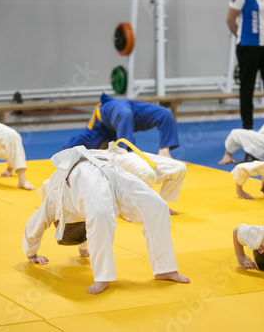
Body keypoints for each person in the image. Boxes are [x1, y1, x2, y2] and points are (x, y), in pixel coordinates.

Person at [23, 145, 190, 295]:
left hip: (90, 169)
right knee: (100, 214)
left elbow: (35, 224)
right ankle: (103, 276)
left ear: (57, 223)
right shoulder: (84, 215)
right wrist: (83, 250)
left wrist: (31, 253)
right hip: (104, 172)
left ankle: (165, 269)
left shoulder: (53, 198)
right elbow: (88, 227)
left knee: (157, 206)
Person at [64, 93, 179, 157]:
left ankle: (165, 151)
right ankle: (121, 153)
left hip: (116, 110)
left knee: (164, 113)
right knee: (125, 115)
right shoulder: (92, 134)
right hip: (107, 121)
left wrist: (164, 150)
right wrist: (67, 153)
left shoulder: (122, 116)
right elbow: (70, 146)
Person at [226, 0, 264, 128]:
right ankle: (247, 127)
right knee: (247, 89)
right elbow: (230, 21)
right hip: (247, 46)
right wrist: (242, 36)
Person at [108, 139, 187, 215]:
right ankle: (128, 209)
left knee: (179, 167)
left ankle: (159, 205)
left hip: (129, 153)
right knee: (147, 174)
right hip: (114, 159)